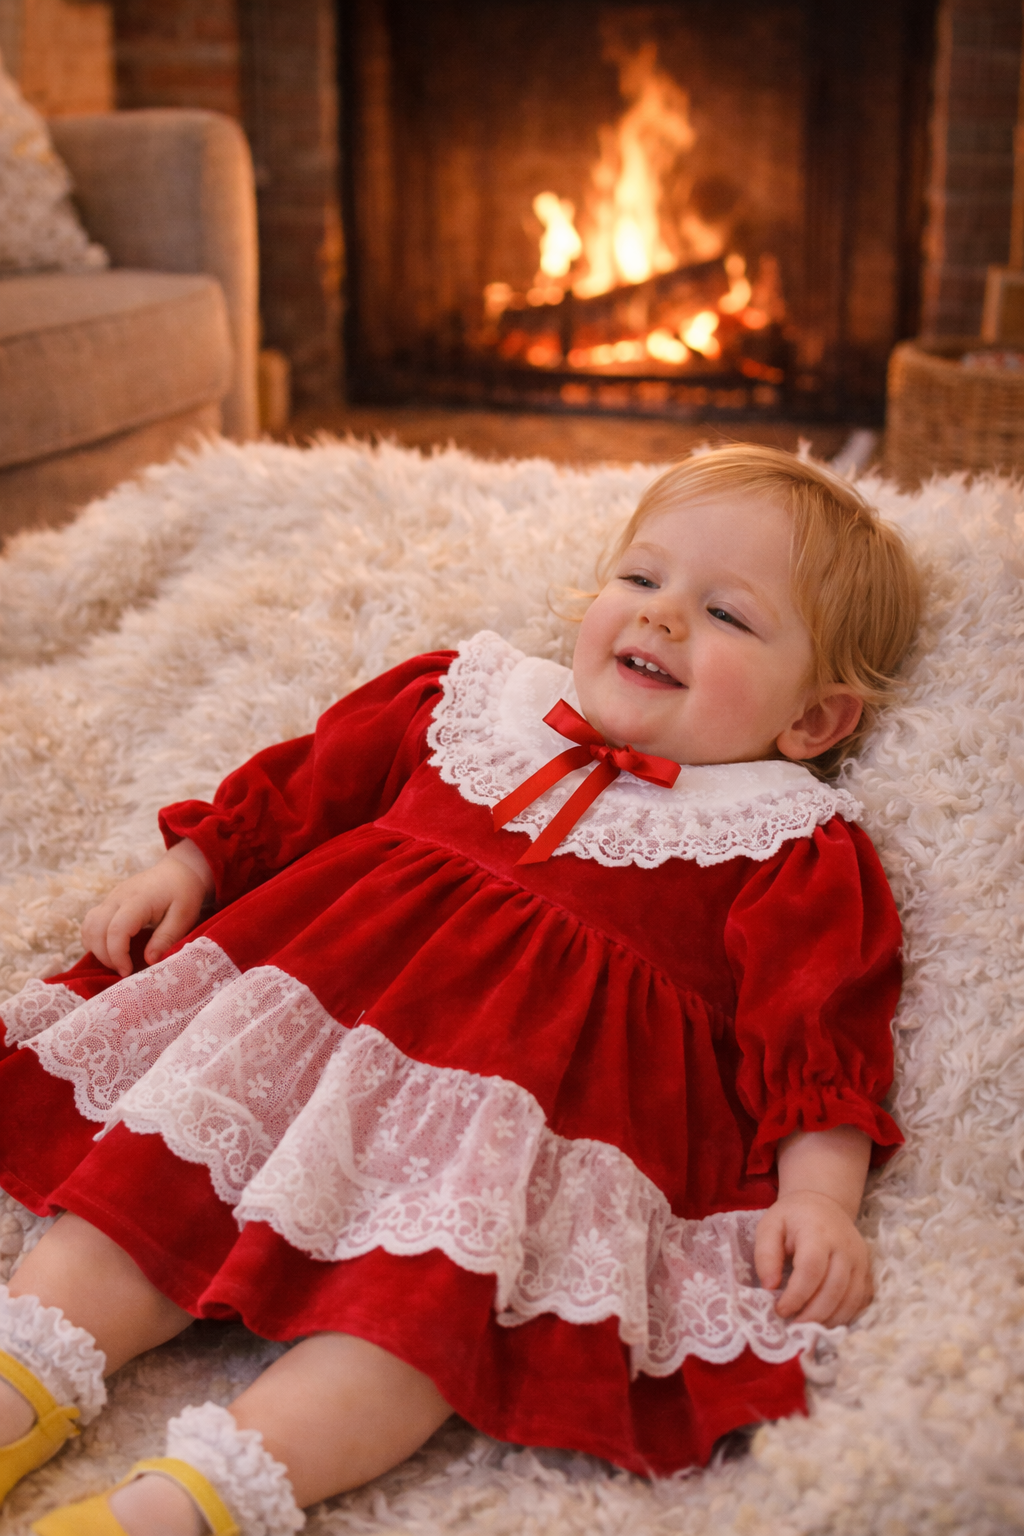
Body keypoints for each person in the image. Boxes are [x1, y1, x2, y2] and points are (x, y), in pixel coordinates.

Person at [0, 445, 920, 1536]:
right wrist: (194, 865)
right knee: (143, 1198)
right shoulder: (472, 704)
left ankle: (189, 1504)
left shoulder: (785, 843)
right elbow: (309, 786)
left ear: (813, 722)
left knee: (416, 1327)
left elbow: (817, 1032)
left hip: (506, 1145)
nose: (661, 615)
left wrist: (820, 1200)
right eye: (640, 577)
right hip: (308, 1046)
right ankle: (20, 1380)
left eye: (725, 614)